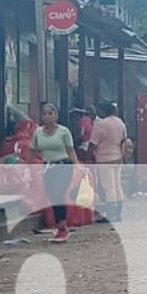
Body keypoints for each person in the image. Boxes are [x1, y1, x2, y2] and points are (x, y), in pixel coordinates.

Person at [33, 103, 81, 242]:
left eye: (50, 113)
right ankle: (59, 225)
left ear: (56, 115)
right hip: (47, 167)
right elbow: (33, 150)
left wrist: (77, 165)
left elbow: (70, 150)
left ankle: (62, 227)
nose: (47, 116)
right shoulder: (38, 133)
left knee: (59, 193)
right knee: (52, 196)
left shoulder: (64, 132)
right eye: (44, 114)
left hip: (63, 166)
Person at [89, 101, 130, 223]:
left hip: (104, 159)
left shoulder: (101, 124)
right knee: (117, 185)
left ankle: (111, 215)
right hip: (117, 158)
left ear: (103, 111)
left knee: (108, 187)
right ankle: (118, 213)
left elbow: (93, 143)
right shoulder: (120, 123)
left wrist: (89, 155)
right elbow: (124, 140)